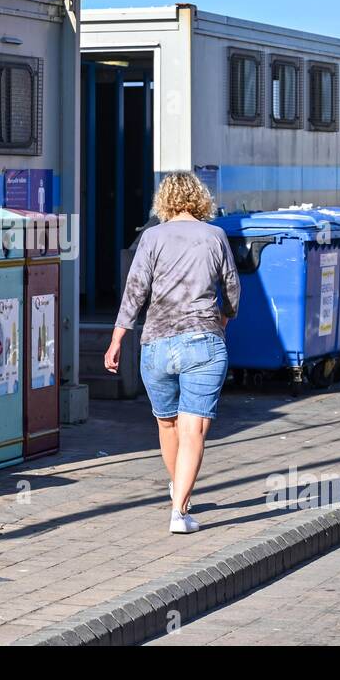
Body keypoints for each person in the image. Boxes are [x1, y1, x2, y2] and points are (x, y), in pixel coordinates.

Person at [104, 171, 240, 534]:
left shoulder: (151, 238)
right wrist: (225, 318)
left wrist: (118, 339)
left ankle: (180, 492)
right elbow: (231, 288)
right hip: (203, 342)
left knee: (167, 423)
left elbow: (135, 291)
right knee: (193, 428)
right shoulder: (215, 236)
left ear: (163, 200)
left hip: (157, 344)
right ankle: (179, 511)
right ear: (200, 199)